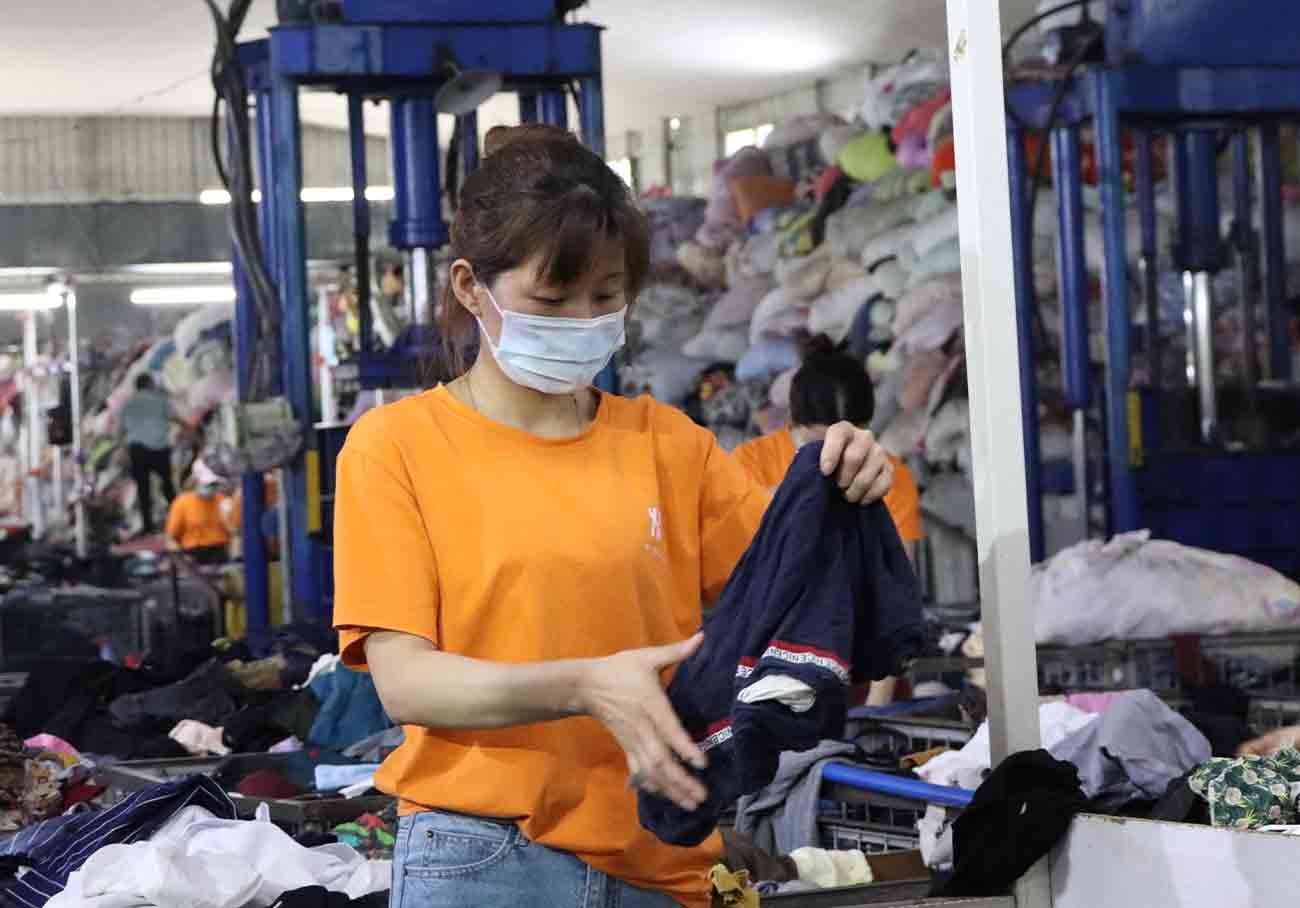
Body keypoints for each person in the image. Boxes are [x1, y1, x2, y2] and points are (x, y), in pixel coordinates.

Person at [332, 125, 897, 908]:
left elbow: (786, 582)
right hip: (487, 860)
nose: (581, 319)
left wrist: (842, 482)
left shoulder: (667, 444)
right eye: (551, 299)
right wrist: (589, 686)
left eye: (605, 295)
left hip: (661, 858)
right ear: (471, 287)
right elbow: (407, 682)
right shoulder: (396, 447)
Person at [731, 338, 924, 706]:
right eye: (820, 442)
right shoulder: (749, 465)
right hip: (765, 665)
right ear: (791, 424)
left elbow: (893, 596)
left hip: (859, 669)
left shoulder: (889, 478)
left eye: (848, 441)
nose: (835, 455)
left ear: (867, 429)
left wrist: (875, 707)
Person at [119, 374, 178, 536]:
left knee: (143, 489)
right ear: (150, 384)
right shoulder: (161, 400)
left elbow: (120, 431)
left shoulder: (128, 404)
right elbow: (176, 418)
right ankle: (177, 520)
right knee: (167, 485)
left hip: (137, 450)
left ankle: (148, 527)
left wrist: (122, 451)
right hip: (159, 449)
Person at [164, 466, 231, 566]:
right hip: (192, 553)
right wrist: (181, 559)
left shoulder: (223, 501)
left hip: (220, 551)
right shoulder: (182, 503)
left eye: (213, 484)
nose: (210, 487)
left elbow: (233, 531)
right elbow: (170, 538)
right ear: (196, 482)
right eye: (207, 484)